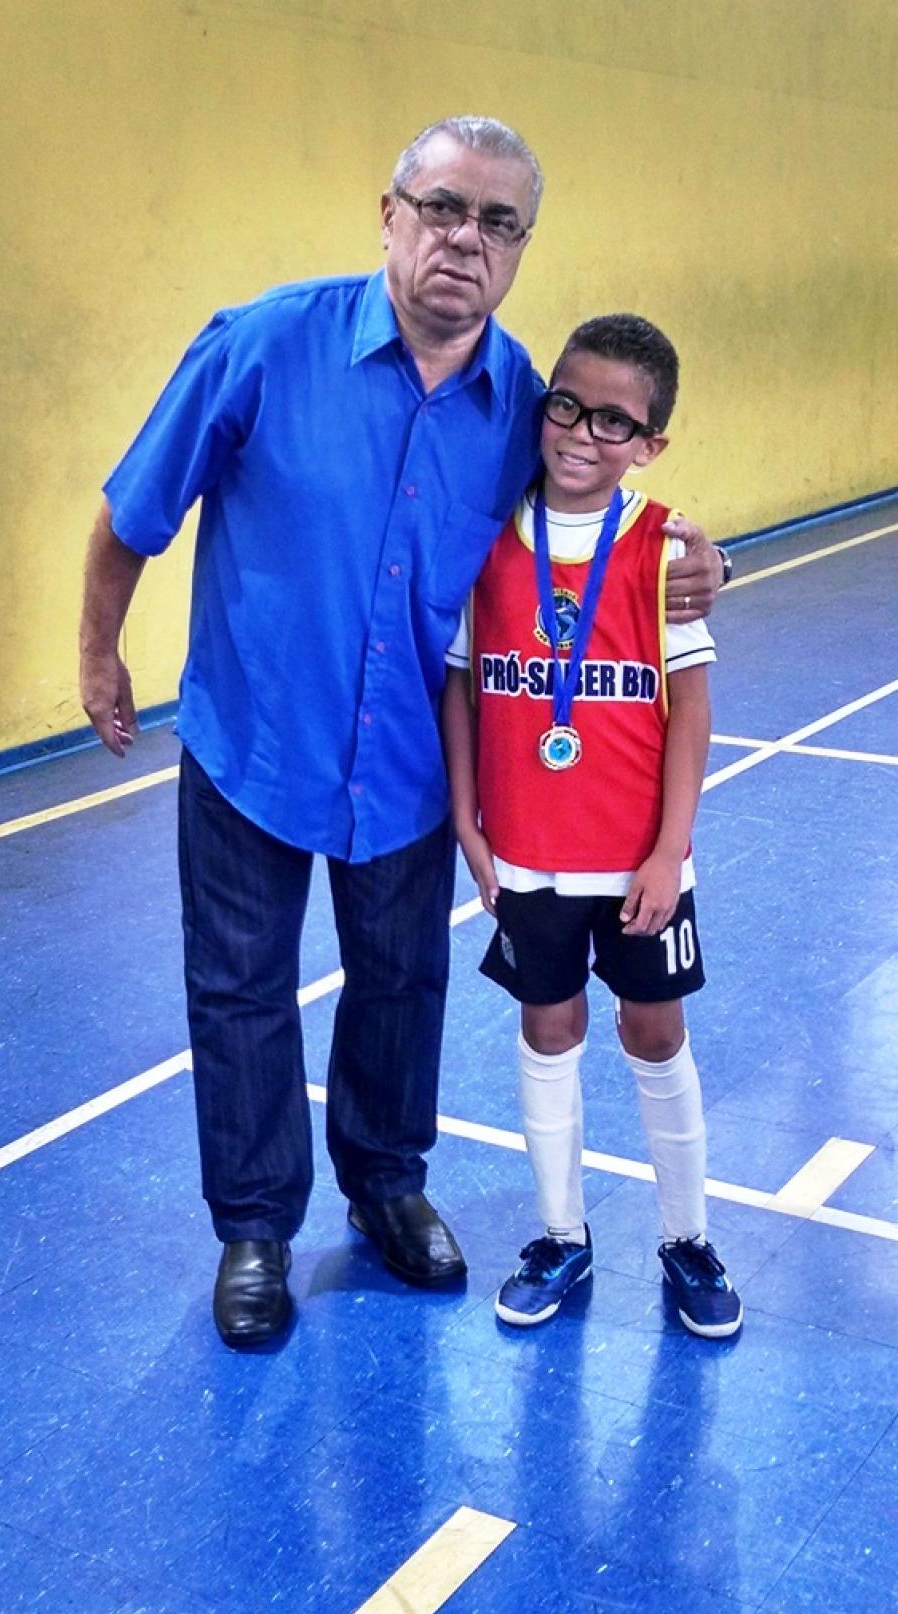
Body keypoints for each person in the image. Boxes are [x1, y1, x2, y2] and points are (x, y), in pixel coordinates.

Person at [79, 116, 726, 1351]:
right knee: (240, 988)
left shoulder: (523, 402)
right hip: (255, 741)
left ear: (519, 249)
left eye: (497, 223)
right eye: (441, 208)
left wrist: (704, 563)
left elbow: (602, 512)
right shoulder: (263, 343)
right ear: (389, 215)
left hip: (408, 760)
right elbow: (131, 509)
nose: (464, 240)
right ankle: (255, 1230)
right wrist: (98, 653)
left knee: (400, 982)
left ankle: (384, 1186)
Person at [442, 313, 742, 1339]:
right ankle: (560, 1235)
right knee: (548, 1026)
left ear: (649, 444)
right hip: (528, 855)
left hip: (636, 862)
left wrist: (668, 849)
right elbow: (459, 688)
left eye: (614, 421)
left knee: (654, 1032)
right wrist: (466, 820)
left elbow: (690, 709)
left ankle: (687, 1237)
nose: (581, 433)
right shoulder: (487, 540)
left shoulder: (664, 550)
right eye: (566, 406)